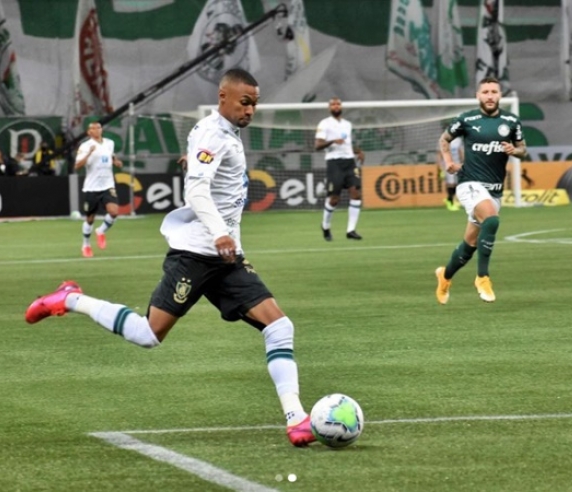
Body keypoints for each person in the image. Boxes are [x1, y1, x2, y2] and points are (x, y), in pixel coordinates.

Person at [25, 68, 316, 448]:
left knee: (279, 327)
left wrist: (193, 165)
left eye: (255, 104)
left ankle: (296, 419)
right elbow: (197, 192)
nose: (250, 110)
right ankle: (69, 298)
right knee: (148, 335)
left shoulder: (218, 131)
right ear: (223, 97)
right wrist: (220, 231)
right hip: (196, 254)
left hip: (227, 260)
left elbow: (203, 165)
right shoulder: (214, 132)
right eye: (245, 102)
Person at [434, 76, 527, 304]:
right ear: (478, 96)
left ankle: (444, 277)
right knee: (492, 221)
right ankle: (482, 277)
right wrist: (448, 162)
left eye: (493, 91)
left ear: (499, 95)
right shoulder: (466, 119)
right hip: (470, 184)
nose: (489, 96)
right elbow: (444, 140)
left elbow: (523, 149)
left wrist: (514, 151)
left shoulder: (511, 121)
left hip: (495, 190)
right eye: (485, 92)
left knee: (469, 246)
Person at [315, 97, 365, 241]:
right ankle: (325, 226)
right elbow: (317, 145)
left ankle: (351, 230)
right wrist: (332, 141)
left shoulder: (347, 124)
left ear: (341, 106)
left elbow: (347, 144)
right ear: (329, 108)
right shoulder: (324, 124)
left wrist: (358, 151)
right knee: (334, 199)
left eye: (338, 104)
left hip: (349, 161)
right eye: (333, 104)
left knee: (355, 193)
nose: (336, 106)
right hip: (334, 162)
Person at [74, 121, 123, 258]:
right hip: (92, 187)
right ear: (89, 132)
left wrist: (115, 161)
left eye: (98, 127)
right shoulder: (85, 146)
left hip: (108, 184)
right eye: (93, 128)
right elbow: (77, 165)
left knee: (114, 212)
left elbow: (111, 155)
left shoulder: (109, 143)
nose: (96, 130)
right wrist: (89, 153)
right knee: (90, 219)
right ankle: (86, 245)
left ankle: (101, 231)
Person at [435, 131, 463, 211]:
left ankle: (453, 200)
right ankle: (450, 201)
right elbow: (439, 153)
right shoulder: (443, 139)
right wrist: (440, 166)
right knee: (451, 184)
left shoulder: (458, 140)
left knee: (457, 184)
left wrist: (463, 162)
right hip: (448, 165)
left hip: (457, 164)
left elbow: (460, 152)